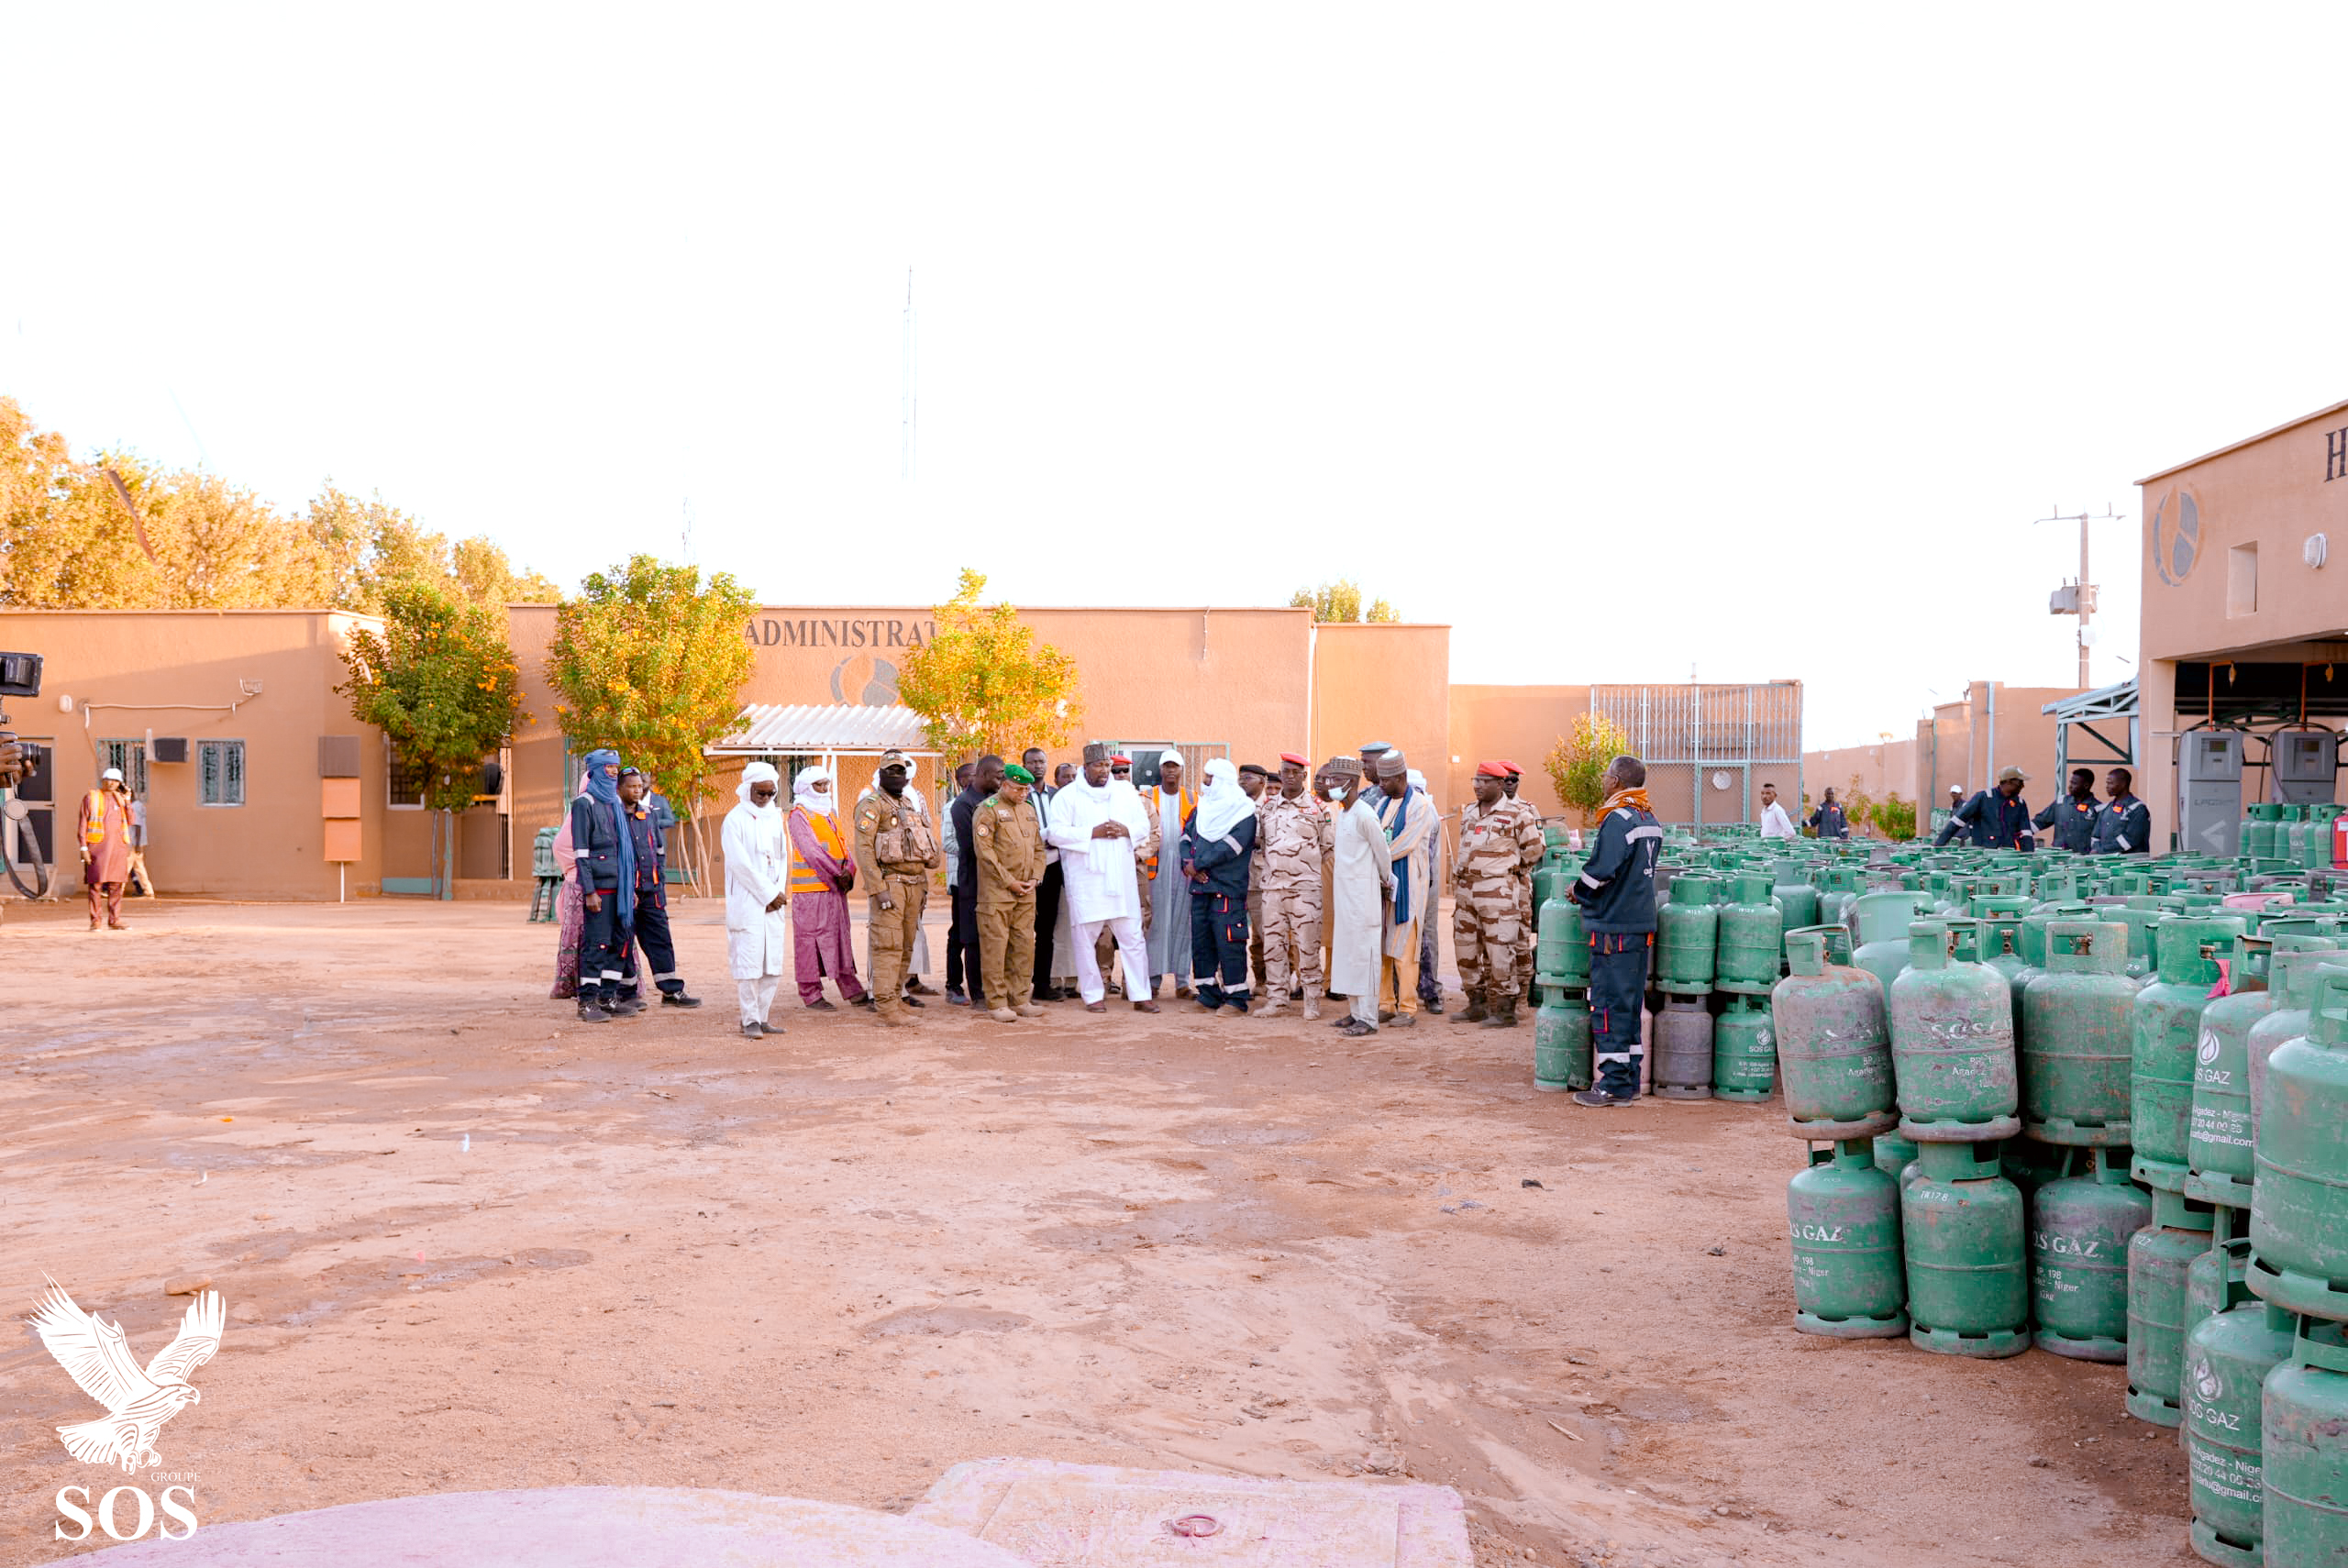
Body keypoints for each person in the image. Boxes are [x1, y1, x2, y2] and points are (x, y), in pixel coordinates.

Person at [1571, 755, 1663, 1107]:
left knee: (1608, 1004)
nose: (1604, 781)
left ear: (1617, 780)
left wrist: (1577, 890)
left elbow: (1601, 871)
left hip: (1613, 927)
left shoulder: (1617, 819)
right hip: (1639, 927)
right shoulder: (1649, 818)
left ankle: (1612, 1085)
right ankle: (1629, 1081)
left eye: (1607, 775)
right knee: (1629, 1004)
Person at [1047, 744, 1158, 1013]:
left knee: (1132, 937)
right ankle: (1093, 995)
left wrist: (1125, 829)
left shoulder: (1125, 793)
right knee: (1086, 939)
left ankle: (1140, 995)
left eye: (1107, 766)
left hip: (1121, 879)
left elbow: (1144, 826)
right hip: (1087, 879)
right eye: (1099, 766)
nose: (1105, 771)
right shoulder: (1067, 796)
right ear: (1086, 767)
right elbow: (1055, 834)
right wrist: (1092, 833)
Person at [854, 749, 943, 1028]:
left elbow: (920, 845)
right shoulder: (871, 804)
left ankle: (896, 1000)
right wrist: (876, 888)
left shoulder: (907, 803)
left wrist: (925, 883)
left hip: (914, 883)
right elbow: (865, 850)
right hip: (890, 884)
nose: (896, 775)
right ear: (880, 774)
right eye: (890, 770)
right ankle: (885, 1005)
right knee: (887, 945)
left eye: (900, 771)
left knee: (906, 945)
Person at [1454, 761, 1544, 1026]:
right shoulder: (1470, 811)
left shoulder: (1518, 813)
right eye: (1476, 780)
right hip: (1466, 889)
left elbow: (1535, 849)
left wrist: (1512, 870)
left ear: (1499, 784)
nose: (1477, 785)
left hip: (1498, 890)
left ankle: (1505, 1010)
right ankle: (1476, 1003)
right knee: (1465, 948)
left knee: (1500, 949)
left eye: (1484, 781)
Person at [1251, 752, 1330, 1020]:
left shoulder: (1319, 808)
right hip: (1273, 889)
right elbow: (1260, 843)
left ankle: (1311, 999)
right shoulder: (1268, 808)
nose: (1289, 776)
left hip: (1304, 889)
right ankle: (1277, 999)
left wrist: (1303, 868)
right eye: (1285, 771)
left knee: (1307, 946)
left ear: (1304, 776)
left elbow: (1328, 847)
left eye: (1295, 772)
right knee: (1273, 946)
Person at [615, 767, 700, 1010]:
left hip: (651, 891)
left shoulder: (649, 814)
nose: (637, 790)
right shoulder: (614, 816)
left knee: (660, 939)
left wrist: (660, 885)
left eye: (639, 786)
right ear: (619, 789)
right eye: (631, 786)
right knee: (624, 943)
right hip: (626, 894)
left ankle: (671, 991)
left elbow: (658, 852)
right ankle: (627, 994)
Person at [785, 766, 869, 1010]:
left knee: (840, 937)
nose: (823, 790)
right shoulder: (798, 815)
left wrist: (850, 871)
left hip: (835, 889)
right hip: (811, 891)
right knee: (809, 941)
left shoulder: (830, 812)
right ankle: (810, 994)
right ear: (805, 788)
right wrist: (837, 874)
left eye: (825, 784)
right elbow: (811, 851)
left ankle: (851, 988)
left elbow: (843, 846)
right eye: (818, 785)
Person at [1181, 758, 1258, 1013]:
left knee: (1229, 943)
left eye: (1209, 778)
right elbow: (1185, 837)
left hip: (1226, 888)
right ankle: (1207, 994)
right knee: (1201, 942)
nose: (1205, 783)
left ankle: (1236, 998)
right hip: (1200, 888)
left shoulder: (1244, 811)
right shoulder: (1201, 808)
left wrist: (1199, 865)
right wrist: (1187, 863)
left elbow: (1230, 847)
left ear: (1222, 781)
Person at [973, 763, 1048, 1022]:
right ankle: (996, 1002)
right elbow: (985, 853)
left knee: (1024, 947)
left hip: (1027, 893)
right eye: (1017, 789)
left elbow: (1039, 849)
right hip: (998, 894)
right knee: (996, 949)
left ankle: (1020, 999)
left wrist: (1036, 878)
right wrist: (1010, 882)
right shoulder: (988, 810)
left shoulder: (1028, 811)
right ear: (1004, 785)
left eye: (1026, 789)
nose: (1022, 794)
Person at [721, 761, 791, 1039]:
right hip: (748, 901)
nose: (765, 799)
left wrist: (778, 891)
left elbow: (783, 858)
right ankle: (748, 1019)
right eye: (761, 793)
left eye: (770, 794)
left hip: (774, 901)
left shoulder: (775, 817)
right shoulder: (734, 820)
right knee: (749, 964)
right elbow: (741, 865)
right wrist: (768, 894)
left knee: (772, 964)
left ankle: (763, 1017)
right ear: (748, 790)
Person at [1327, 757, 1396, 1037]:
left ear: (1352, 782)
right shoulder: (1344, 812)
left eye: (1335, 779)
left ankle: (1368, 1018)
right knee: (1348, 953)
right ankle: (1355, 1012)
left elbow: (1383, 854)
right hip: (1344, 896)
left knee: (1364, 955)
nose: (1330, 785)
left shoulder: (1365, 814)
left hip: (1363, 896)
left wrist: (1384, 879)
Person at [568, 749, 637, 1021]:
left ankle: (608, 998)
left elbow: (624, 850)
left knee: (619, 944)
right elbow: (581, 853)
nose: (612, 771)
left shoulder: (615, 803)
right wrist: (589, 891)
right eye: (607, 767)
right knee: (596, 945)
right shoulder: (584, 803)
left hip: (621, 888)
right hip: (599, 890)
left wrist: (629, 890)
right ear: (595, 769)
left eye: (615, 767)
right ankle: (587, 1003)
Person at [1368, 749, 1435, 1027]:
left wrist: (1375, 858)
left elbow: (1405, 844)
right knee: (1382, 946)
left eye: (1386, 781)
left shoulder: (1420, 805)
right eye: (1380, 780)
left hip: (1408, 886)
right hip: (1383, 887)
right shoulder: (1381, 806)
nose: (1381, 785)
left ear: (1402, 777)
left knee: (1404, 949)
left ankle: (1407, 1008)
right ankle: (1386, 1003)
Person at [1141, 756, 1196, 998]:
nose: (1171, 770)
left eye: (1175, 766)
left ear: (1182, 770)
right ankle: (1152, 981)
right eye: (1167, 766)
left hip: (1184, 871)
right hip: (1156, 870)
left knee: (1184, 924)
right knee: (1156, 925)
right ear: (1160, 769)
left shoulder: (1194, 798)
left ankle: (1182, 983)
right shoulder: (1146, 797)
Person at [950, 756, 1002, 1006]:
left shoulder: (997, 801)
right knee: (973, 939)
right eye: (997, 776)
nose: (1001, 780)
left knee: (996, 937)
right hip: (973, 882)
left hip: (998, 882)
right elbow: (972, 847)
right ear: (981, 774)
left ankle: (997, 989)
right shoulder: (963, 805)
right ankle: (978, 994)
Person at [1022, 746, 1066, 1002]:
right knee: (1022, 928)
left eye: (1041, 762)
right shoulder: (1019, 795)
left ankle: (1041, 984)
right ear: (1024, 765)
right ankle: (1015, 985)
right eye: (1032, 762)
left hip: (1054, 867)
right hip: (1026, 869)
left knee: (1047, 930)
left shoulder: (1057, 795)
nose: (1037, 766)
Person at [77, 767, 137, 931]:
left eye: (116, 781)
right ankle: (95, 921)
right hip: (97, 847)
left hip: (118, 847)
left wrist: (128, 801)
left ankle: (114, 920)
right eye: (109, 779)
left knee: (116, 885)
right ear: (103, 780)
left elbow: (131, 820)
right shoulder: (92, 798)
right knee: (95, 884)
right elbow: (83, 823)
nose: (112, 783)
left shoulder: (121, 799)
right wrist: (83, 847)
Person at [940, 761, 977, 1003]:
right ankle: (953, 985)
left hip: (983, 880)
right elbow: (948, 843)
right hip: (960, 880)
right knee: (959, 934)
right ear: (962, 780)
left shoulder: (988, 804)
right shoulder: (953, 806)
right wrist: (975, 849)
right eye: (972, 775)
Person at [1413, 767, 1447, 1016]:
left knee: (1426, 938)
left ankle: (1431, 992)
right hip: (1404, 885)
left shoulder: (1428, 811)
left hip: (1427, 884)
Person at [1236, 763, 1271, 995]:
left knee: (1265, 936)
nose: (1242, 782)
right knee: (1234, 935)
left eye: (1248, 777)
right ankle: (1235, 984)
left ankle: (1265, 983)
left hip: (1260, 881)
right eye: (1241, 778)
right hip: (1236, 879)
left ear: (1262, 781)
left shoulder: (1271, 808)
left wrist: (1255, 839)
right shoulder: (1235, 806)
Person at [1936, 767, 2036, 849]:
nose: (2022, 786)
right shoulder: (1983, 798)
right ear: (2008, 782)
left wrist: (2029, 856)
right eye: (2019, 783)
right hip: (1983, 855)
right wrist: (1938, 845)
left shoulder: (2020, 803)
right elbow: (1957, 821)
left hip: (2008, 855)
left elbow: (2025, 832)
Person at [2034, 767, 2101, 854]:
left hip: (2083, 859)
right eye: (2070, 782)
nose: (2070, 786)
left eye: (2074, 783)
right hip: (2059, 857)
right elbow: (2041, 821)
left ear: (2086, 786)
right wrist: (2024, 831)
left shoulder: (2098, 808)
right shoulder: (2060, 803)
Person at [2090, 767, 2152, 855]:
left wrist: (2101, 851)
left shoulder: (2137, 809)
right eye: (2107, 783)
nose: (2107, 786)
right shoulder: (2106, 809)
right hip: (2106, 861)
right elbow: (2095, 836)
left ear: (2123, 784)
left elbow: (2130, 840)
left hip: (2130, 863)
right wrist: (2097, 849)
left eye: (2111, 783)